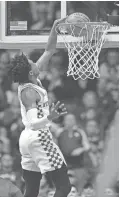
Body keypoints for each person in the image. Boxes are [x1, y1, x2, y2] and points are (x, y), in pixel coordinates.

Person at [10, 17, 71, 197]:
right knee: (64, 187)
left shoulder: (32, 78)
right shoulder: (29, 93)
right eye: (31, 63)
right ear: (30, 71)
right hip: (38, 136)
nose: (34, 62)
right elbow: (34, 122)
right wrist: (49, 117)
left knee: (32, 189)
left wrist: (54, 27)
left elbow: (49, 50)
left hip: (27, 140)